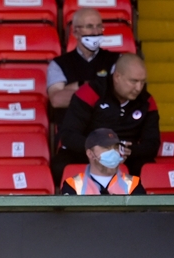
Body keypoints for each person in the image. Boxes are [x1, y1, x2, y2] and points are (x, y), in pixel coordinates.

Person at [54, 53, 160, 182]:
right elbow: (68, 135)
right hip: (88, 153)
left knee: (149, 168)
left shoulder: (146, 101)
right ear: (117, 77)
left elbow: (152, 143)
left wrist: (127, 151)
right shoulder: (90, 92)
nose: (138, 88)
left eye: (142, 82)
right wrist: (98, 150)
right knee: (59, 167)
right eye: (134, 81)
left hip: (126, 156)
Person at [47, 8, 120, 124]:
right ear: (75, 32)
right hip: (71, 133)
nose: (96, 32)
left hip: (106, 132)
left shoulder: (115, 60)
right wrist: (99, 89)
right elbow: (57, 100)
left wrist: (76, 87)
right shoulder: (59, 64)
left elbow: (118, 96)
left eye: (99, 26)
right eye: (89, 27)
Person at [61, 128, 145, 195]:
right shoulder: (73, 185)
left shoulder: (133, 184)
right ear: (90, 154)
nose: (113, 152)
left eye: (116, 147)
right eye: (106, 147)